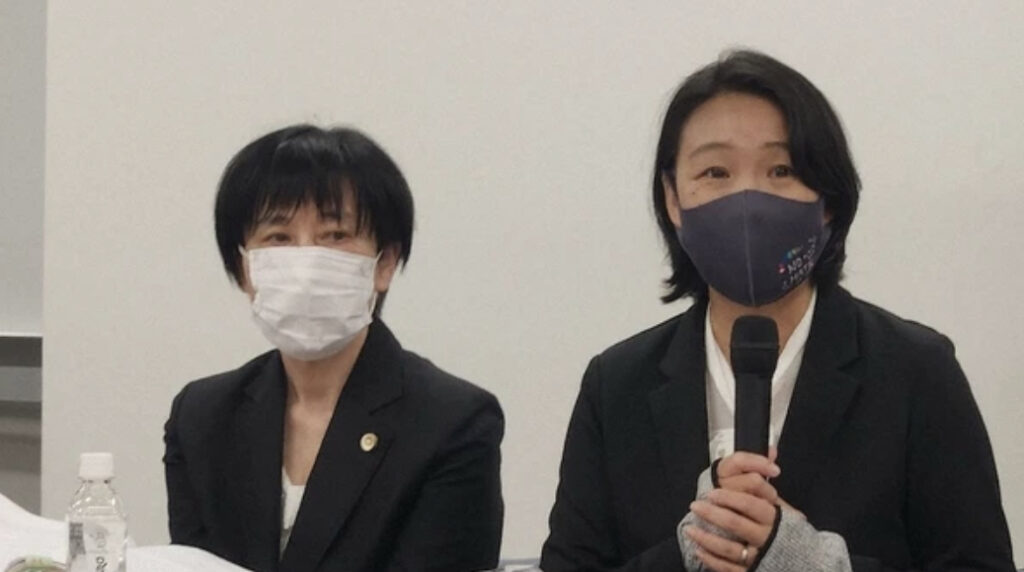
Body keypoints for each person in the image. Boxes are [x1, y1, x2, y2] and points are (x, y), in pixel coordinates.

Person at [540, 50, 1015, 571]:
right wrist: (690, 550)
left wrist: (817, 565)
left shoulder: (916, 370)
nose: (748, 200)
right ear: (673, 199)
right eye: (715, 172)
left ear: (827, 199)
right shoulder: (616, 384)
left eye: (781, 169)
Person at [163, 125, 504, 571]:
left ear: (384, 263)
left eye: (335, 235)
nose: (305, 266)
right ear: (245, 269)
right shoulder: (202, 417)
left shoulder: (452, 423)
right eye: (279, 238)